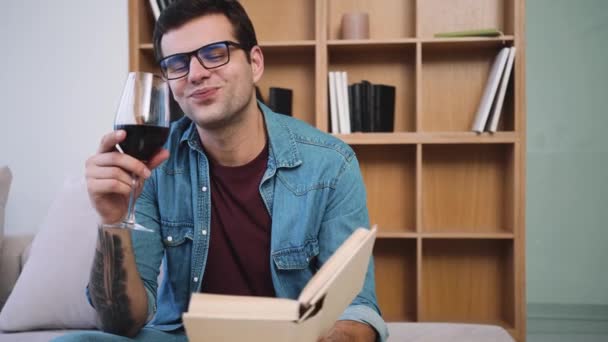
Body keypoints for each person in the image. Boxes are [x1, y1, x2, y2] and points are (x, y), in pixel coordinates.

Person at [54, 0, 387, 341]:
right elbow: (120, 325)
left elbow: (357, 306)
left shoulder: (331, 162)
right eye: (177, 63)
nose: (195, 74)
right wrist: (113, 221)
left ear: (255, 63)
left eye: (215, 53)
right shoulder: (153, 165)